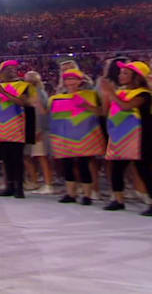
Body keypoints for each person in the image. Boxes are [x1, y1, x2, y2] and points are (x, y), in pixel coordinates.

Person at [99, 61, 152, 216]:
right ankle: (118, 199)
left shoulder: (144, 94)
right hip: (121, 136)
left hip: (141, 137)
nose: (120, 75)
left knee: (144, 170)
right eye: (121, 73)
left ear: (137, 77)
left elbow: (127, 106)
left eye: (125, 73)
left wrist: (110, 92)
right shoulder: (121, 92)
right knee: (117, 168)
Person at [46, 68, 106, 205]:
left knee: (84, 165)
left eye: (73, 78)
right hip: (64, 137)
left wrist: (85, 105)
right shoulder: (56, 98)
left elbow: (101, 112)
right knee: (67, 165)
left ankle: (87, 195)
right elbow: (52, 117)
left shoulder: (91, 95)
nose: (70, 81)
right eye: (68, 79)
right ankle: (70, 193)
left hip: (85, 136)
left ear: (80, 81)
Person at [0, 60, 36, 199]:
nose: (12, 70)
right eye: (8, 69)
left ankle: (19, 187)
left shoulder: (23, 85)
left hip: (17, 126)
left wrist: (4, 92)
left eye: (13, 68)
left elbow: (23, 102)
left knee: (17, 158)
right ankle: (9, 186)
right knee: (6, 158)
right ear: (2, 73)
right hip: (1, 128)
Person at [24, 71, 53, 195]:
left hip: (38, 129)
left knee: (42, 157)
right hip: (32, 128)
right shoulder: (34, 93)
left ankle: (48, 184)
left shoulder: (38, 93)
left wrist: (40, 129)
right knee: (29, 156)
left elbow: (42, 112)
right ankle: (34, 181)